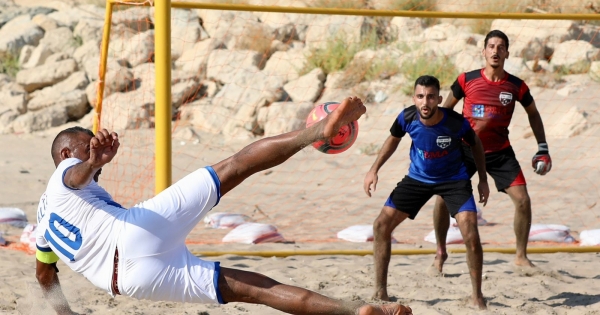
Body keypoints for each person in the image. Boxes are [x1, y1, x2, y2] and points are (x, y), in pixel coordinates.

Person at [34, 97, 413, 315]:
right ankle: (317, 131)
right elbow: (76, 176)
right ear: (66, 153)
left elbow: (45, 278)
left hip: (131, 283)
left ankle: (357, 312)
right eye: (86, 144)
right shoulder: (68, 169)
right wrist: (92, 162)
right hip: (133, 233)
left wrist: (66, 314)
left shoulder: (43, 222)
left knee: (258, 290)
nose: (92, 148)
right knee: (235, 166)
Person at [363, 75, 490, 309]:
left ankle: (477, 297)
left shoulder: (455, 122)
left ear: (439, 99)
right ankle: (381, 291)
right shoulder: (407, 116)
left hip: (454, 180)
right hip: (417, 179)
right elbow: (392, 140)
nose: (425, 102)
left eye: (431, 97)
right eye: (420, 96)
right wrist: (374, 169)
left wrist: (482, 179)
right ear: (414, 98)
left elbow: (476, 144)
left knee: (470, 233)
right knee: (381, 225)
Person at [431, 29, 552, 273]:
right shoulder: (466, 79)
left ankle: (520, 256)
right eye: (491, 46)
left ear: (507, 52)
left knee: (523, 200)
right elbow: (445, 111)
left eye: (500, 47)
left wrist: (542, 147)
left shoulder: (516, 86)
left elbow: (534, 114)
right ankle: (440, 252)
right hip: (464, 150)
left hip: (499, 152)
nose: (495, 51)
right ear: (484, 51)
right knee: (442, 198)